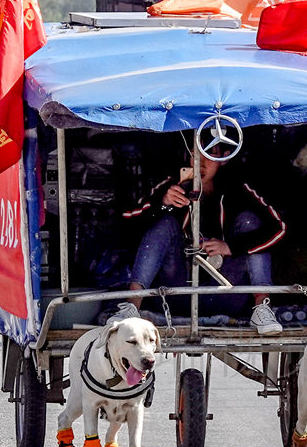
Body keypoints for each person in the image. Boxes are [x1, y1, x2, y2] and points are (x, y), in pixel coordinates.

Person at [112, 143, 287, 335]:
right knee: (166, 223)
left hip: (226, 293)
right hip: (176, 293)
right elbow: (127, 221)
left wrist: (230, 247)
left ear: (225, 158)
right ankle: (131, 307)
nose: (200, 163)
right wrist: (162, 203)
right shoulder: (174, 186)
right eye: (195, 154)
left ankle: (262, 308)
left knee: (248, 221)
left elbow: (279, 229)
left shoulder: (238, 189)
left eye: (210, 154)